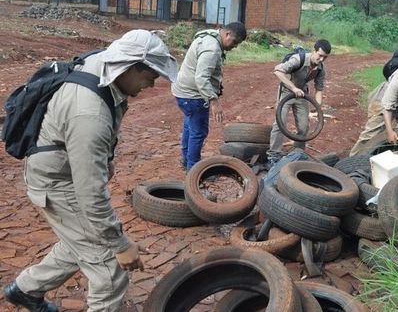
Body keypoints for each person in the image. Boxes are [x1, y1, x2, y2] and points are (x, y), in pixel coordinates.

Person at [3, 30, 178, 311]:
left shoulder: (102, 65)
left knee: (81, 243)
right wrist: (120, 245)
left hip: (62, 171)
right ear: (131, 67)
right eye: (150, 77)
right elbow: (90, 195)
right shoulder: (89, 114)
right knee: (109, 267)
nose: (152, 85)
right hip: (58, 184)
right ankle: (26, 290)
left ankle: (24, 291)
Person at [171, 22, 247, 171]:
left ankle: (186, 160)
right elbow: (201, 78)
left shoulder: (209, 35)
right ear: (227, 34)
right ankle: (193, 171)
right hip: (193, 95)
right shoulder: (212, 49)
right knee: (198, 132)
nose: (234, 46)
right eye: (235, 42)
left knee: (190, 126)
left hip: (182, 92)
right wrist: (214, 101)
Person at [267, 39, 332, 165]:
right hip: (287, 91)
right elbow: (278, 71)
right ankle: (273, 155)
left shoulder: (321, 69)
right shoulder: (298, 59)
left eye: (325, 57)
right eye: (320, 56)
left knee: (304, 126)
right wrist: (293, 88)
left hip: (302, 94)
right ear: (314, 51)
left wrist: (317, 107)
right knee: (280, 123)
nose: (322, 60)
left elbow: (319, 89)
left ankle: (297, 153)